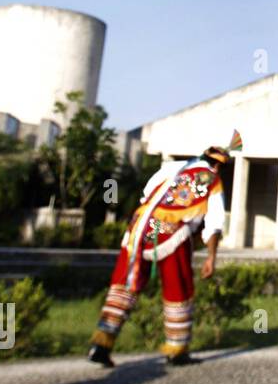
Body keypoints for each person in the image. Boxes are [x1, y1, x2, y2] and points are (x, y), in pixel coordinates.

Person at [87, 132, 239, 368]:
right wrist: (211, 256)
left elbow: (146, 195)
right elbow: (215, 222)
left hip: (140, 227)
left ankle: (102, 343)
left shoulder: (173, 167)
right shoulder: (212, 180)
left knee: (125, 284)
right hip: (170, 231)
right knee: (179, 287)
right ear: (219, 166)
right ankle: (176, 349)